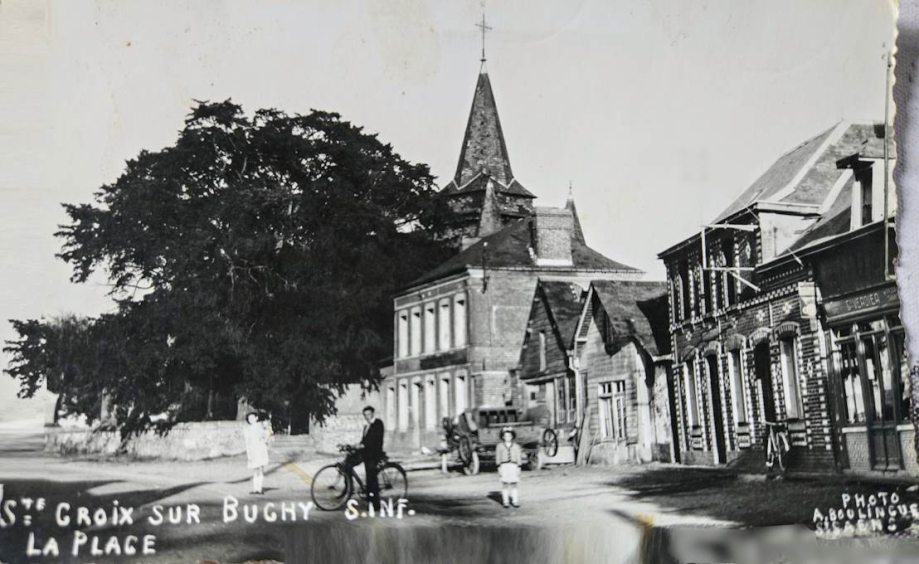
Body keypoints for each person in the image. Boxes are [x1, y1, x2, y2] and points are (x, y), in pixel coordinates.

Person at [359, 405, 384, 510]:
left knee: (372, 478)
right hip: (367, 454)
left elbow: (375, 440)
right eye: (365, 415)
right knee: (368, 477)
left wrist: (364, 445)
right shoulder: (366, 426)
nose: (367, 417)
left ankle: (376, 504)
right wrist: (357, 445)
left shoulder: (377, 423)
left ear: (373, 414)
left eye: (369, 414)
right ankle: (369, 498)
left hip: (374, 454)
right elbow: (364, 440)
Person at [243, 412, 271, 494]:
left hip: (260, 449)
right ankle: (255, 488)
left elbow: (269, 432)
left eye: (252, 418)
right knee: (255, 470)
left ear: (256, 418)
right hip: (253, 449)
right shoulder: (247, 429)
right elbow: (247, 441)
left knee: (260, 469)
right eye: (249, 418)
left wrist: (265, 439)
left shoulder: (261, 426)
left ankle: (260, 488)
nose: (251, 420)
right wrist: (249, 452)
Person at [495, 426, 522, 508]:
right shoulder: (499, 446)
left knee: (514, 483)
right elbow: (498, 457)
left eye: (509, 436)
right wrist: (499, 466)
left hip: (513, 466)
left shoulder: (516, 446)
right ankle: (505, 501)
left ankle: (515, 501)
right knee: (505, 483)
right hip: (504, 466)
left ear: (512, 436)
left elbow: (518, 457)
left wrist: (519, 466)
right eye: (506, 436)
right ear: (503, 437)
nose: (507, 438)